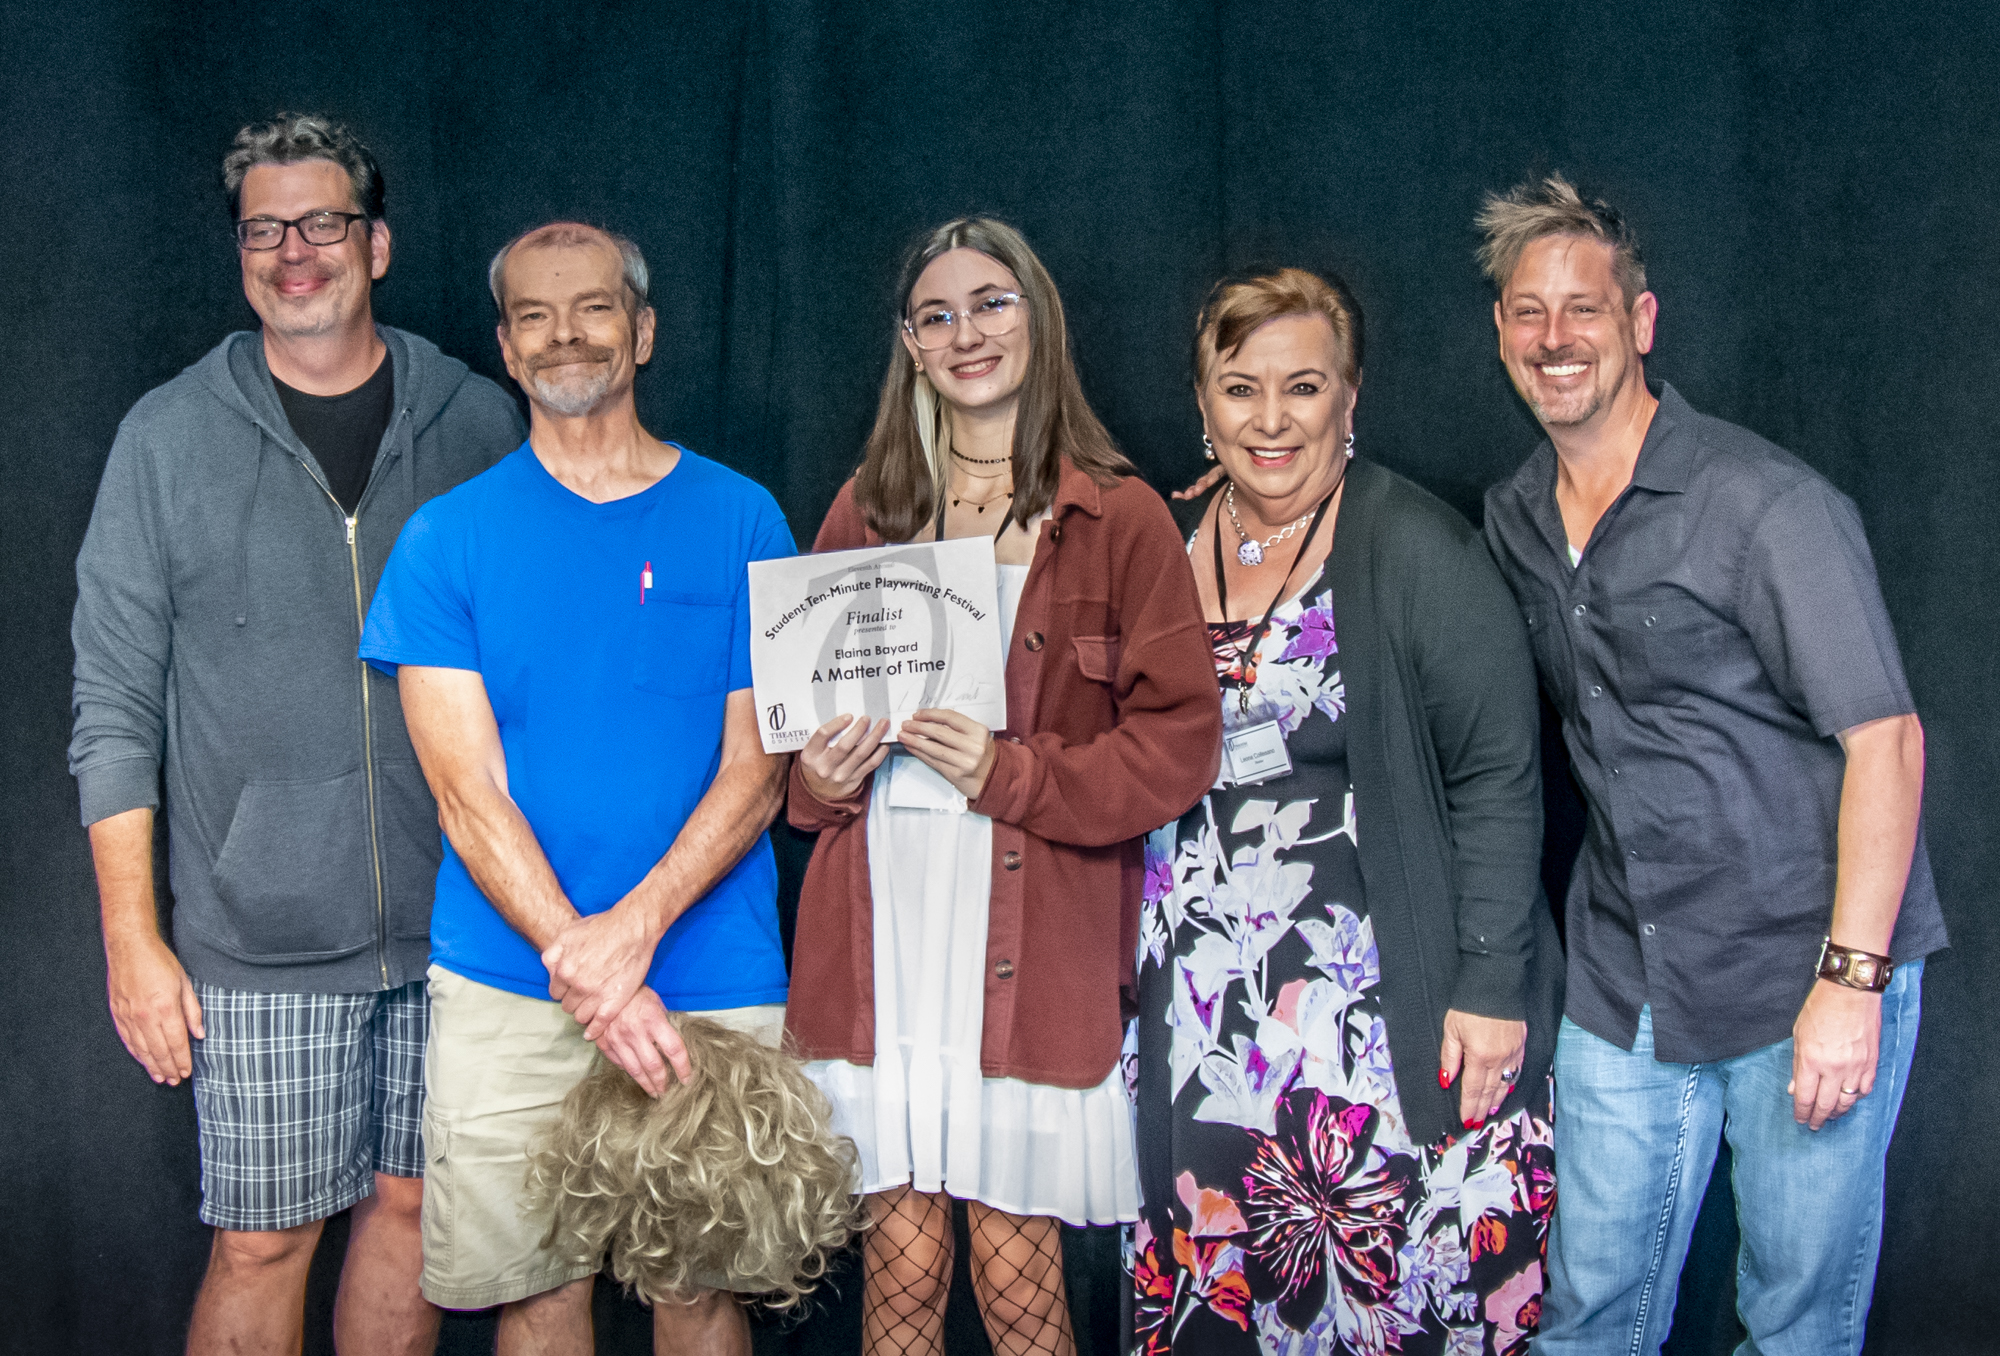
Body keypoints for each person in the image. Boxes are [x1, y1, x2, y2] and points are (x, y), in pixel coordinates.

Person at [68, 113, 522, 1355]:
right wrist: (133, 939)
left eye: (321, 223)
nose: (293, 252)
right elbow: (111, 703)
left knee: (418, 1210)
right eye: (264, 230)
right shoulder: (166, 441)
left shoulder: (478, 426)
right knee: (263, 1240)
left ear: (374, 244)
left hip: (462, 926)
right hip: (256, 941)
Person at [1474, 174, 1945, 1356]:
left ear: (1639, 322)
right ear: (1498, 334)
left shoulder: (1762, 505)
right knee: (1588, 1320)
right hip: (1626, 975)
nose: (1553, 338)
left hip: (1803, 969)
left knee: (1792, 1325)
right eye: (1527, 313)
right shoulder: (1515, 517)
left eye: (1582, 309)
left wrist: (1850, 985)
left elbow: (1884, 739)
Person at [785, 217, 1222, 1356]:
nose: (965, 331)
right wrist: (819, 781)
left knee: (1014, 1271)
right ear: (909, 345)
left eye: (990, 303)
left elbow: (1178, 742)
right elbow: (800, 750)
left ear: (1037, 319)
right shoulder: (864, 510)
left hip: (1025, 939)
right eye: (937, 314)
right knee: (902, 1269)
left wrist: (1009, 772)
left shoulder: (1116, 515)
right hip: (885, 932)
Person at [356, 221, 794, 1356]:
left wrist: (628, 940)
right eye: (535, 315)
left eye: (593, 307)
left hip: (707, 974)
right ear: (505, 345)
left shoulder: (743, 517)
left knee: (699, 1292)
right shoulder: (444, 541)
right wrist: (584, 964)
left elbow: (758, 774)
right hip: (512, 984)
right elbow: (466, 797)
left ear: (641, 331)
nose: (566, 336)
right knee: (538, 1294)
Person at [1133, 268, 1561, 1355]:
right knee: (1226, 1301)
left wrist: (1489, 984)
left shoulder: (1417, 547)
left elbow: (1498, 777)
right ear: (1200, 403)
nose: (1269, 420)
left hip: (1377, 1021)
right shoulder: (1155, 546)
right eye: (1238, 389)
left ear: (1349, 398)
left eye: (1302, 387)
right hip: (1202, 1024)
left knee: (1384, 1306)